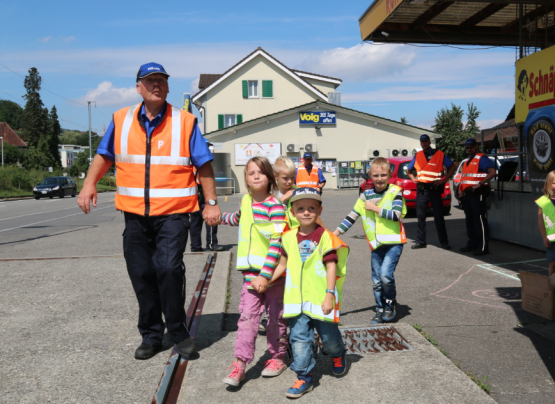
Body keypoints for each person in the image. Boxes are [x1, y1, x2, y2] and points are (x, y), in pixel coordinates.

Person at [77, 62, 221, 361]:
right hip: (134, 215)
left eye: (161, 80)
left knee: (168, 268)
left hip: (173, 213)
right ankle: (152, 335)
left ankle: (178, 332)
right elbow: (104, 155)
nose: (156, 84)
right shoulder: (121, 119)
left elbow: (204, 164)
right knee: (141, 273)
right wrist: (89, 184)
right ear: (138, 87)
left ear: (167, 87)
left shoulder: (184, 121)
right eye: (150, 80)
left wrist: (211, 202)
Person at [270, 187, 348, 398]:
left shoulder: (326, 237)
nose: (306, 212)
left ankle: (338, 354)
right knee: (299, 341)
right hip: (296, 301)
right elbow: (282, 264)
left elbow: (331, 266)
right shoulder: (287, 237)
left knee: (329, 339)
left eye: (311, 208)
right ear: (293, 212)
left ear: (319, 210)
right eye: (301, 208)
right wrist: (267, 280)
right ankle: (304, 376)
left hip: (321, 299)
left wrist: (329, 295)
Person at [220, 156, 288, 386]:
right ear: (246, 179)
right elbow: (237, 219)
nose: (256, 176)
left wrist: (265, 276)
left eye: (261, 172)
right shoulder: (246, 201)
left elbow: (277, 243)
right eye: (251, 173)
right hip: (250, 276)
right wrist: (218, 218)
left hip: (272, 276)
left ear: (270, 177)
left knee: (275, 319)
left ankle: (278, 358)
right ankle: (239, 365)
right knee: (247, 319)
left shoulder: (275, 207)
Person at [334, 158, 407, 324]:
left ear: (390, 174)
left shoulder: (395, 191)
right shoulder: (365, 196)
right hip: (376, 245)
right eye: (376, 175)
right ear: (369, 175)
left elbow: (396, 215)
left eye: (383, 175)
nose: (380, 178)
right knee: (377, 281)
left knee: (385, 275)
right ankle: (380, 309)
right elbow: (351, 216)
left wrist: (375, 208)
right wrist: (335, 233)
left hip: (394, 243)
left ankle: (390, 304)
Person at [408, 134, 456, 250]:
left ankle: (444, 242)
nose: (424, 143)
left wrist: (444, 180)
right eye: (422, 141)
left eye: (426, 141)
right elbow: (409, 170)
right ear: (420, 143)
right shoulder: (418, 155)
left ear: (429, 142)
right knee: (420, 217)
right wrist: (414, 180)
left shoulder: (439, 154)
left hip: (434, 190)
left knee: (439, 217)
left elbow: (453, 167)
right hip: (422, 191)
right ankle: (420, 241)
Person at [458, 139, 496, 256]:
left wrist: (480, 183)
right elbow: (465, 178)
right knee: (470, 221)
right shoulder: (467, 161)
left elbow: (492, 172)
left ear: (476, 146)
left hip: (478, 194)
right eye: (467, 148)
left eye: (471, 147)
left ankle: (483, 247)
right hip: (468, 195)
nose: (469, 149)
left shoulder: (481, 158)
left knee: (479, 220)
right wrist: (460, 188)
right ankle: (472, 243)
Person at [189, 165, 224, 252]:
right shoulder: (196, 166)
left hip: (202, 196)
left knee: (210, 220)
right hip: (195, 197)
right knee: (195, 223)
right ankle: (196, 246)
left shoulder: (198, 165)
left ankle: (210, 244)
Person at [536, 171, 555, 277]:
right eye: (554, 183)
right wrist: (544, 237)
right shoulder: (542, 201)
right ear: (548, 184)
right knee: (553, 263)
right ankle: (552, 284)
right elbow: (540, 221)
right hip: (552, 239)